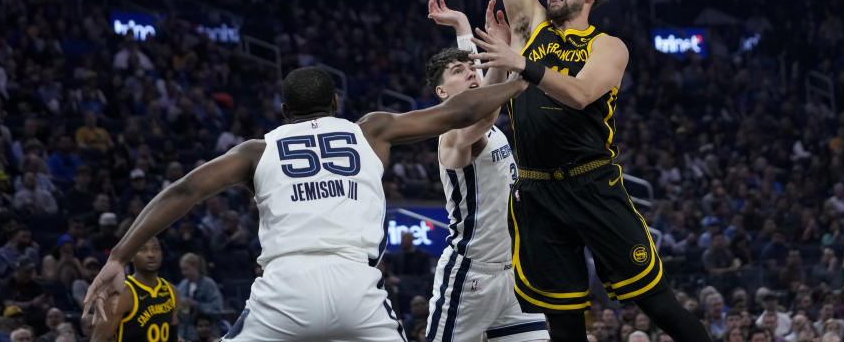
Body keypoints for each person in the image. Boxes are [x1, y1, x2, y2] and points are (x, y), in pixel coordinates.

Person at [470, 0, 712, 342]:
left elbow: (579, 95)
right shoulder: (531, 25)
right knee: (563, 322)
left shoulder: (609, 46)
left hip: (592, 184)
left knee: (659, 306)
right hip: (535, 193)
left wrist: (521, 64)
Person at [84, 66, 529, 341]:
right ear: (336, 103)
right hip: (358, 286)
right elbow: (460, 112)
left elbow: (183, 190)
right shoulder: (370, 130)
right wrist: (526, 75)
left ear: (283, 110)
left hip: (284, 289)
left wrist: (117, 257)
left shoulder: (256, 151)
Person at [422, 0, 548, 341]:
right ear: (442, 92)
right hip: (470, 277)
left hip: (513, 274)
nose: (470, 73)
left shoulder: (481, 114)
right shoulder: (455, 133)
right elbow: (486, 107)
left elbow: (481, 89)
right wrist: (518, 70)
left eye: (472, 69)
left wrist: (463, 24)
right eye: (458, 73)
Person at [89, 236, 178, 342]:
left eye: (155, 249)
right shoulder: (122, 294)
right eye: (143, 250)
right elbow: (98, 339)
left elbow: (173, 336)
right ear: (131, 256)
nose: (151, 254)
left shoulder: (172, 291)